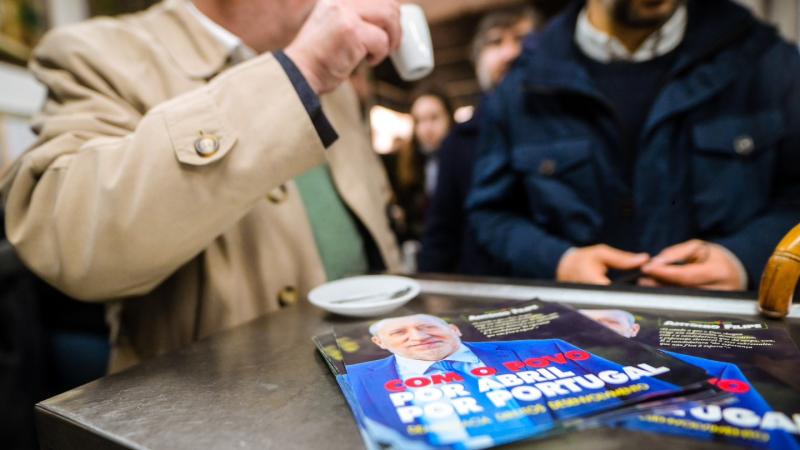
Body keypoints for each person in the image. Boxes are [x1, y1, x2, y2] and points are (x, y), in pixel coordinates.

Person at [0, 0, 404, 371]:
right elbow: (72, 241)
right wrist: (300, 74)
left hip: (379, 378)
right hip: (222, 406)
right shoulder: (100, 53)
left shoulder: (339, 83)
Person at [467, 0, 800, 290]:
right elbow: (492, 211)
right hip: (580, 324)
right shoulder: (522, 86)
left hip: (728, 324)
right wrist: (559, 260)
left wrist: (743, 258)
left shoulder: (766, 60)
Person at [347, 313, 676, 448]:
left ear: (454, 329)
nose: (418, 336)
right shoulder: (357, 379)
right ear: (380, 342)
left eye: (428, 326)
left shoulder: (547, 348)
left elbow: (650, 389)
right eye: (399, 332)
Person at [420, 6, 536, 275]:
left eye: (521, 39)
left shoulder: (568, 126)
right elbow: (441, 234)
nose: (510, 53)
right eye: (495, 42)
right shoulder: (457, 142)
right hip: (485, 287)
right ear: (477, 58)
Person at [390, 87, 454, 245]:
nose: (427, 128)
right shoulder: (409, 163)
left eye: (434, 118)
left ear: (449, 117)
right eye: (419, 121)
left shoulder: (464, 159)